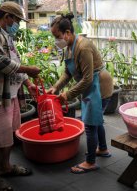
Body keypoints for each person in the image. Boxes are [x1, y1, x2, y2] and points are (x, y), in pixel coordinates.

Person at [0, 1, 41, 191]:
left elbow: (14, 61)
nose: (17, 24)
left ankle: (6, 167)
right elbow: (0, 63)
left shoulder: (5, 35)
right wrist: (30, 70)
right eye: (17, 20)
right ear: (7, 17)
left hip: (10, 96)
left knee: (8, 137)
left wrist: (28, 83)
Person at [48, 13, 114, 174]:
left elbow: (88, 79)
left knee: (91, 124)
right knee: (97, 121)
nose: (57, 41)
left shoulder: (83, 47)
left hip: (99, 86)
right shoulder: (69, 47)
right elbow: (67, 73)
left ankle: (90, 162)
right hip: (91, 86)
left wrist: (67, 94)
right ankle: (102, 149)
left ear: (68, 33)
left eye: (57, 37)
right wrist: (56, 87)